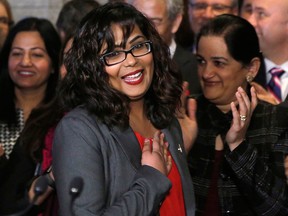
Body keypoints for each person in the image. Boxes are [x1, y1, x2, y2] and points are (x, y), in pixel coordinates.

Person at [53, 2, 196, 215]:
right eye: (113, 54)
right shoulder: (78, 129)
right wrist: (151, 178)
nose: (131, 61)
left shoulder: (165, 117)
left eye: (138, 46)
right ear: (92, 67)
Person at [187, 14, 288, 215]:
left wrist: (238, 145)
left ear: (251, 68)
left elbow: (278, 209)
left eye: (219, 63)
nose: (206, 73)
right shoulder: (187, 114)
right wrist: (180, 147)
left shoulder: (276, 122)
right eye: (201, 61)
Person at [0, 17, 61, 214]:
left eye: (36, 55)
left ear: (53, 64)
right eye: (17, 53)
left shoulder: (62, 119)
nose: (25, 62)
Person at [127, 0, 201, 96]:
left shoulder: (196, 69)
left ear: (175, 22)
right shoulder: (124, 64)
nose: (144, 30)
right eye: (138, 22)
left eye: (154, 22)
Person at [239, 0, 288, 105]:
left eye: (261, 14)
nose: (250, 21)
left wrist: (277, 114)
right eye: (250, 11)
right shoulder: (240, 70)